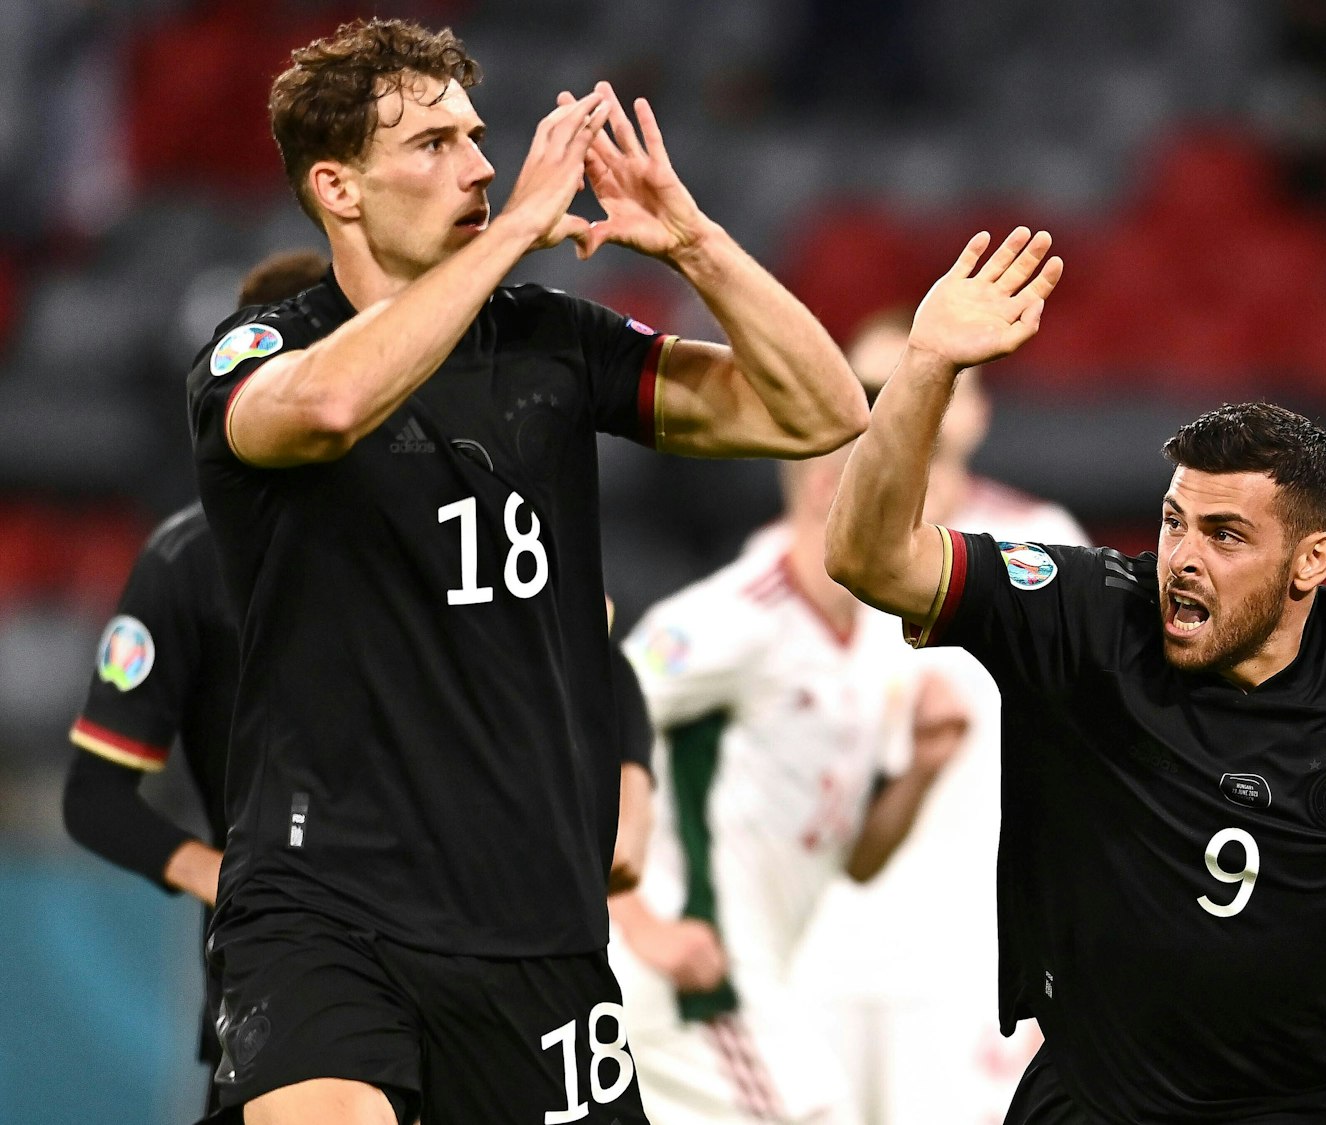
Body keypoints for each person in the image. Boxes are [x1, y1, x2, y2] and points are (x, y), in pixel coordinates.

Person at [185, 18, 866, 1125]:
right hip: (325, 902)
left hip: (534, 921)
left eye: (477, 134)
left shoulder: (551, 344)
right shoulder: (261, 349)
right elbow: (328, 408)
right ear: (338, 187)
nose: (484, 164)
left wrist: (692, 240)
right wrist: (507, 241)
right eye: (434, 143)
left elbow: (821, 410)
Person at [823, 226, 1326, 1124]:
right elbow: (867, 558)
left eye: (1226, 535)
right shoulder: (1089, 615)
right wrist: (928, 363)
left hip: (1295, 1109)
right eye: (1175, 522)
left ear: (1312, 560)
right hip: (1091, 1097)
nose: (1182, 558)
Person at [610, 438, 970, 1123]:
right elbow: (585, 718)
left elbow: (858, 861)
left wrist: (921, 769)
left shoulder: (877, 642)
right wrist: (639, 921)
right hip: (692, 982)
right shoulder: (736, 615)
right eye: (914, 490)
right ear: (827, 489)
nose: (940, 510)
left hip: (760, 975)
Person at [789, 306, 1088, 1124]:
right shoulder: (787, 568)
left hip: (969, 964)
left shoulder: (1042, 546)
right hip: (818, 957)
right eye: (875, 386)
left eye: (935, 375)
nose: (901, 399)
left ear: (979, 406)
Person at [62, 248, 328, 1113]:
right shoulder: (187, 563)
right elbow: (95, 796)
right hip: (276, 970)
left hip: (442, 946)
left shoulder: (436, 535)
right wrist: (230, 876)